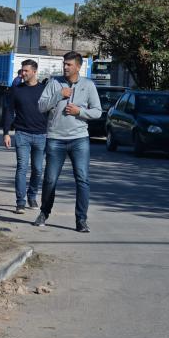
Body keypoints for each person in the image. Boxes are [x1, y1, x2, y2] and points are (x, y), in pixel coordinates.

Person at [34, 51, 102, 232]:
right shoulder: (54, 83)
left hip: (79, 139)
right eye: (64, 64)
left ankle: (81, 220)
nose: (65, 67)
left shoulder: (88, 85)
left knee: (83, 179)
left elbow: (97, 112)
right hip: (55, 138)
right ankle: (44, 212)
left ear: (78, 67)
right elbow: (41, 106)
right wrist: (59, 95)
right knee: (50, 180)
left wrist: (79, 111)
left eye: (69, 64)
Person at [3, 59, 48, 214]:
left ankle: (32, 195)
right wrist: (6, 133)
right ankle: (20, 202)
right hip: (22, 134)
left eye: (26, 71)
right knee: (22, 167)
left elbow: (52, 111)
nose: (23, 73)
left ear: (34, 72)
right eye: (22, 71)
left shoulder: (44, 89)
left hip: (41, 135)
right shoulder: (17, 89)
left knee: (37, 169)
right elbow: (9, 111)